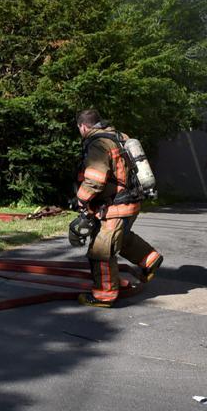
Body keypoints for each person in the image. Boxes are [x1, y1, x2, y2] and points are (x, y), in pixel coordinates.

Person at [74, 109, 163, 308]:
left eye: (79, 128)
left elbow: (95, 179)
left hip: (115, 206)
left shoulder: (98, 143)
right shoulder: (120, 136)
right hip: (130, 202)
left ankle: (103, 295)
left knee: (101, 250)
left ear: (83, 126)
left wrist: (81, 200)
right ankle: (150, 259)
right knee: (120, 238)